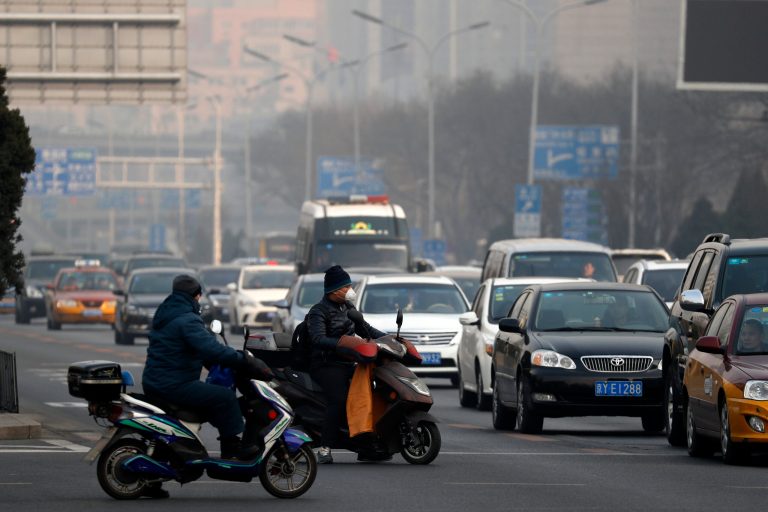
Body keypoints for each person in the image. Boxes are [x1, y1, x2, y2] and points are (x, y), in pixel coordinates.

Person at [142, 275, 265, 497]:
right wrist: (243, 359)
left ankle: (151, 480)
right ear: (196, 295)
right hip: (173, 384)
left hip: (157, 382)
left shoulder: (167, 313)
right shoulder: (187, 319)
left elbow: (194, 349)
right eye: (199, 296)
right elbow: (210, 348)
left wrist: (216, 361)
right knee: (223, 398)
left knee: (208, 401)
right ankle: (232, 449)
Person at [306, 265, 386, 464]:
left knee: (370, 394)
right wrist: (344, 344)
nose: (350, 290)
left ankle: (366, 445)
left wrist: (389, 340)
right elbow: (318, 339)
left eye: (350, 285)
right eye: (346, 286)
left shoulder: (348, 308)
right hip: (326, 364)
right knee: (339, 400)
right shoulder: (318, 311)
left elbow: (365, 329)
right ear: (334, 290)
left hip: (349, 362)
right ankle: (324, 448)